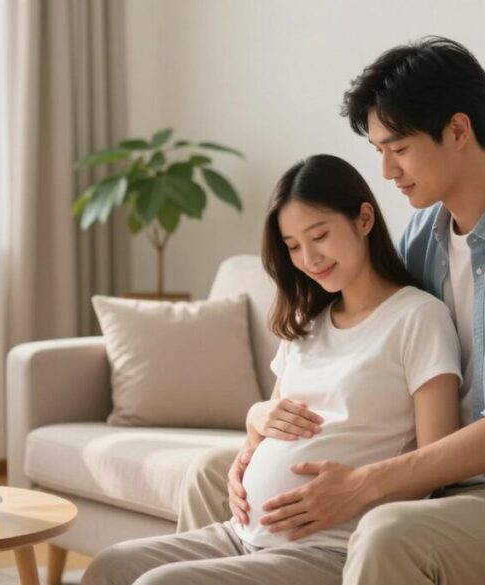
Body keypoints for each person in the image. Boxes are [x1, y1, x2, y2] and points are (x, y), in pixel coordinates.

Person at [180, 36, 485, 585]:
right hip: (440, 477)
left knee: (388, 533)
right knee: (213, 473)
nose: (388, 171)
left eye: (399, 148)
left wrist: (367, 483)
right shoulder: (423, 234)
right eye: (378, 151)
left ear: (458, 131)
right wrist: (260, 429)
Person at [81, 154, 463, 585]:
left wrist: (358, 488)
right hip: (240, 534)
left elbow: (437, 462)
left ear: (364, 219)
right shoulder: (307, 323)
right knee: (110, 566)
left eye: (319, 236)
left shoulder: (417, 317)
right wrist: (250, 439)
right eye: (293, 246)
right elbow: (271, 426)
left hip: (327, 548)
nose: (309, 258)